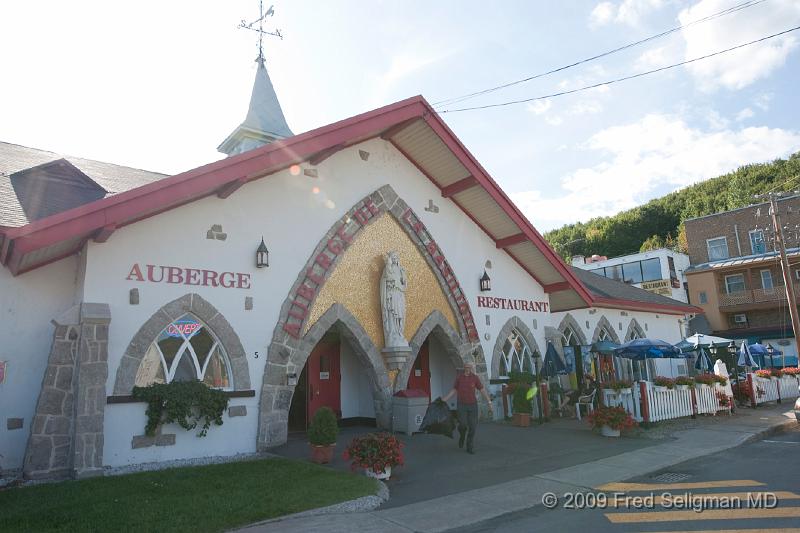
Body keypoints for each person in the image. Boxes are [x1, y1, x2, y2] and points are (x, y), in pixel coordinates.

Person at [442, 362, 492, 454]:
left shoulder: (475, 378)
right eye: (466, 367)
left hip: (472, 405)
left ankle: (470, 446)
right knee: (463, 425)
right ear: (464, 367)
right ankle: (462, 435)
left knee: (473, 427)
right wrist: (445, 399)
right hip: (461, 405)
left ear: (472, 368)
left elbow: (482, 389)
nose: (468, 368)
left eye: (470, 367)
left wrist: (489, 401)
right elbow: (454, 389)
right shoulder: (459, 378)